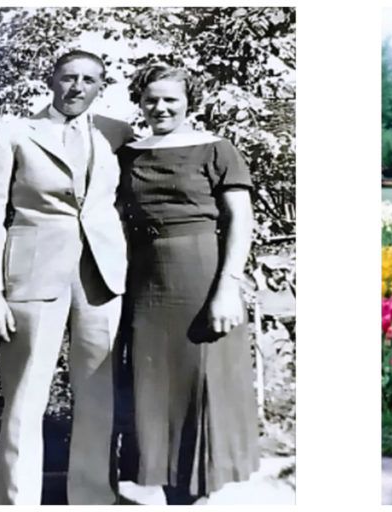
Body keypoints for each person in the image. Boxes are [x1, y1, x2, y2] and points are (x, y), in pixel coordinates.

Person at [0, 50, 134, 504]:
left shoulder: (115, 134)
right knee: (25, 397)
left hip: (101, 278)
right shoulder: (14, 133)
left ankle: (92, 498)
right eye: (68, 78)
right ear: (52, 80)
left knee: (99, 397)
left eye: (89, 79)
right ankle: (16, 501)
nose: (77, 87)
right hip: (33, 274)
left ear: (102, 85)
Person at [116, 63, 260, 504]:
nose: (160, 107)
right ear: (140, 101)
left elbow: (241, 219)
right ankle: (164, 491)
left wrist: (228, 286)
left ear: (188, 102)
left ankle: (193, 498)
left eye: (170, 99)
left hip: (199, 276)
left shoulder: (216, 149)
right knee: (151, 390)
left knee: (198, 384)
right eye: (152, 98)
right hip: (143, 281)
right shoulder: (129, 153)